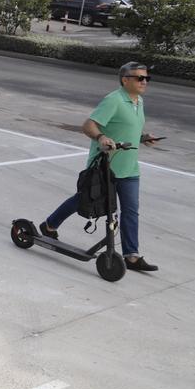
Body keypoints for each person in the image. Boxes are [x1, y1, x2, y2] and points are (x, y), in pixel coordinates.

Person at [40, 62, 163, 272]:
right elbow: (88, 125)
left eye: (146, 78)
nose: (144, 82)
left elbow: (126, 129)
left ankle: (131, 256)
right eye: (139, 78)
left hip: (130, 168)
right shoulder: (114, 100)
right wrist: (101, 137)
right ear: (125, 80)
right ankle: (49, 225)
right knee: (83, 199)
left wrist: (143, 138)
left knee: (131, 211)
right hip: (105, 166)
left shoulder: (138, 101)